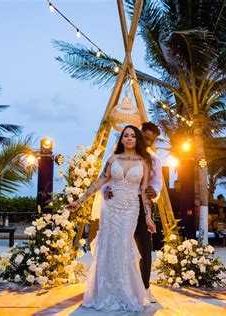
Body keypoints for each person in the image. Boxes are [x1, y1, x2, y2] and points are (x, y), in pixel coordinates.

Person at [66, 125, 156, 312]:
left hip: (131, 208)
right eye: (126, 135)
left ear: (137, 139)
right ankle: (106, 291)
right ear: (121, 139)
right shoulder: (113, 159)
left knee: (123, 245)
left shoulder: (144, 161)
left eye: (133, 136)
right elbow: (100, 182)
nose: (129, 138)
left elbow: (145, 193)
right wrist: (80, 201)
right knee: (109, 246)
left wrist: (148, 218)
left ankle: (125, 291)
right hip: (111, 209)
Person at [103, 121, 161, 303]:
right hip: (118, 204)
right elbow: (106, 179)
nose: (147, 142)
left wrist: (154, 191)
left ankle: (145, 287)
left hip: (140, 203)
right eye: (144, 138)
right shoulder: (117, 155)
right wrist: (107, 191)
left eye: (150, 141)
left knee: (145, 246)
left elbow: (157, 182)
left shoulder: (154, 160)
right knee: (116, 245)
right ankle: (115, 286)